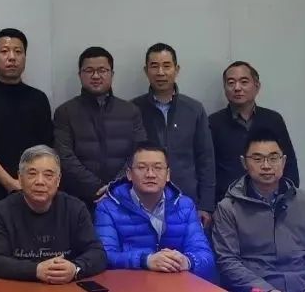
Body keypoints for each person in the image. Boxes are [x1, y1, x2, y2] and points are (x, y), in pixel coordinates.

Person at [212, 128, 305, 292]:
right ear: (244, 163)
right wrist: (267, 290)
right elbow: (228, 262)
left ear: (283, 162)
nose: (266, 166)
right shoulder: (228, 208)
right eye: (257, 159)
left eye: (273, 158)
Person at [0, 28, 53, 244]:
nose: (12, 57)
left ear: (25, 57)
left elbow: (46, 146)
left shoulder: (38, 99)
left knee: (34, 249)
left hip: (34, 191)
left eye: (18, 51)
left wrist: (30, 182)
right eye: (4, 51)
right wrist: (10, 183)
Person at [0, 145, 106, 284]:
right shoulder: (0, 212)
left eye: (48, 175)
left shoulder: (75, 209)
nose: (40, 182)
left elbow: (98, 253)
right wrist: (35, 270)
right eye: (32, 174)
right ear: (20, 178)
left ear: (58, 180)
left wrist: (76, 268)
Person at [93, 144, 215, 281]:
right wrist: (146, 260)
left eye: (158, 168)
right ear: (129, 174)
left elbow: (205, 256)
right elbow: (104, 256)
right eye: (142, 167)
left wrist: (186, 261)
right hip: (129, 283)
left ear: (168, 174)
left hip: (175, 283)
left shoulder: (185, 206)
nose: (150, 174)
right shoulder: (108, 207)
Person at [53, 46, 155, 206]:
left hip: (123, 196)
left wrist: (115, 186)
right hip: (78, 198)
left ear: (112, 74)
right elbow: (64, 156)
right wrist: (97, 187)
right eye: (89, 70)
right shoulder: (65, 112)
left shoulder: (130, 111)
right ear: (80, 75)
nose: (96, 76)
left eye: (102, 70)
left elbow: (139, 153)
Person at [132, 43, 215, 227]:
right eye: (154, 66)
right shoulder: (133, 109)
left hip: (187, 200)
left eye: (166, 66)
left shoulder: (194, 109)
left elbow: (206, 159)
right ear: (146, 71)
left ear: (176, 70)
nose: (160, 72)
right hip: (144, 202)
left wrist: (206, 205)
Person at [209, 61, 299, 203]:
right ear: (225, 88)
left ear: (257, 86)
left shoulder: (273, 120)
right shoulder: (213, 123)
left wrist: (288, 198)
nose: (237, 88)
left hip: (271, 202)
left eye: (244, 82)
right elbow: (207, 168)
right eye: (231, 83)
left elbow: (289, 163)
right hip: (229, 203)